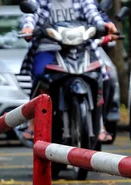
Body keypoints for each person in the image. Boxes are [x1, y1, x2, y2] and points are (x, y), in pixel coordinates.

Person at [19, 0, 118, 141]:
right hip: (49, 47)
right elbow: (31, 16)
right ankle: (34, 123)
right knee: (39, 75)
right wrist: (28, 28)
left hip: (81, 47)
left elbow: (93, 14)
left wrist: (104, 25)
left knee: (102, 76)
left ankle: (100, 124)